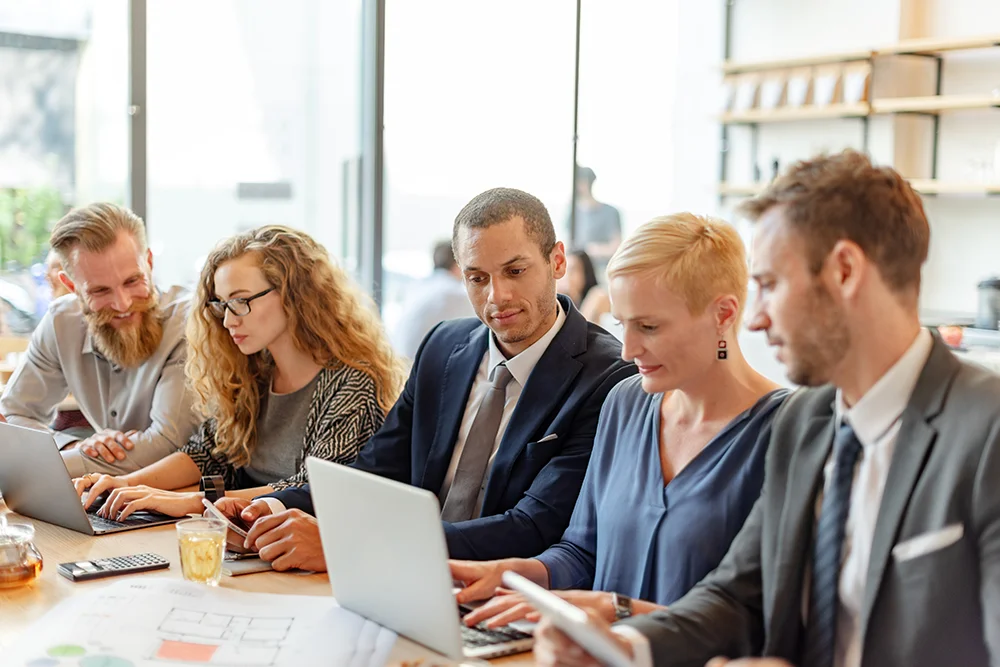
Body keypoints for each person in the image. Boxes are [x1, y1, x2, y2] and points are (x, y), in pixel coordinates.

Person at [533, 150, 1000, 667]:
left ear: (845, 271)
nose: (752, 320)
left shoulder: (986, 431)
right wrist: (625, 646)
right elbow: (737, 595)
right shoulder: (808, 422)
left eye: (771, 285)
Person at [218, 187, 637, 571]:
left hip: (501, 591)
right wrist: (269, 506)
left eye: (514, 271)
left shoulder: (610, 377)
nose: (497, 297)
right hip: (403, 576)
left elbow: (531, 527)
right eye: (477, 278)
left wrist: (351, 545)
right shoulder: (444, 347)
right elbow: (376, 472)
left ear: (557, 261)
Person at [451, 214, 787, 628]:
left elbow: (770, 621)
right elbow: (581, 551)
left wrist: (619, 610)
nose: (628, 350)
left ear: (723, 314)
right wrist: (517, 574)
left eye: (648, 326)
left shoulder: (786, 434)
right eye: (620, 324)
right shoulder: (625, 404)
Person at [71, 226, 404, 523]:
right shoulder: (256, 372)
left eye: (241, 302)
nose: (228, 320)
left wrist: (191, 502)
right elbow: (208, 453)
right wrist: (126, 483)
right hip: (247, 541)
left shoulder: (353, 384)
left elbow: (310, 491)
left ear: (295, 295)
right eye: (221, 304)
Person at [0, 203, 200, 478]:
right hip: (102, 497)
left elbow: (166, 445)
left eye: (132, 281)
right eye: (100, 290)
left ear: (149, 263)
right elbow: (12, 416)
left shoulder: (189, 322)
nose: (122, 303)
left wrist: (53, 463)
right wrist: (72, 444)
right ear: (71, 287)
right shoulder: (61, 323)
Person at [390, 240, 474, 359]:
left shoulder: (418, 286)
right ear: (458, 264)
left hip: (399, 362)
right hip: (421, 367)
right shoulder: (454, 293)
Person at [571, 166, 622, 272]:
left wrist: (593, 250)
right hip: (578, 269)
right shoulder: (573, 212)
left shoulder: (610, 212)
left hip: (602, 269)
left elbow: (616, 247)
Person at [557, 249, 611, 324]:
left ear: (585, 272)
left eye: (572, 270)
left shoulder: (598, 295)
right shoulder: (567, 302)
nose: (567, 276)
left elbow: (581, 330)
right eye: (565, 270)